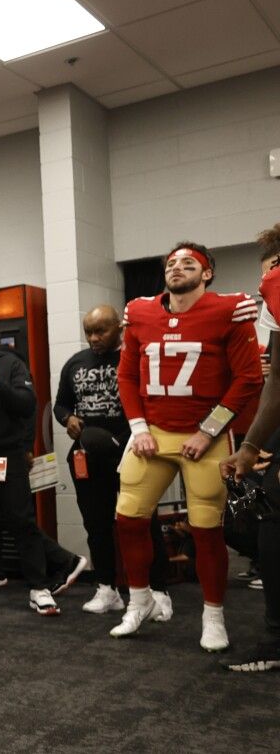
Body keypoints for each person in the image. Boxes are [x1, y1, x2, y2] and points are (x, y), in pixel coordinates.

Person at [112, 242, 262, 651]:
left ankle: (213, 615)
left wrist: (208, 431)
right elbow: (126, 377)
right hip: (154, 432)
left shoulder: (229, 309)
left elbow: (249, 378)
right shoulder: (140, 311)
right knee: (127, 518)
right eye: (172, 263)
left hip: (205, 435)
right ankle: (139, 600)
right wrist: (139, 427)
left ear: (207, 273)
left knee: (206, 529)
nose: (177, 268)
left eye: (188, 263)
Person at [0, 315, 86, 616]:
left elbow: (26, 405)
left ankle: (38, 587)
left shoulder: (11, 364)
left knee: (20, 519)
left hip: (3, 453)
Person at [54, 306, 175, 617]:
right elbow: (60, 404)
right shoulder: (75, 363)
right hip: (88, 456)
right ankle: (107, 589)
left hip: (130, 452)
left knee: (142, 523)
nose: (93, 338)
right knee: (96, 525)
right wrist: (68, 418)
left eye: (101, 331)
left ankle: (158, 591)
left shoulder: (134, 359)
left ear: (119, 328)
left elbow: (155, 401)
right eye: (88, 332)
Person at [221, 223, 280, 671]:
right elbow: (275, 383)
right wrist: (250, 447)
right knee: (268, 519)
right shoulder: (271, 295)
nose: (270, 279)